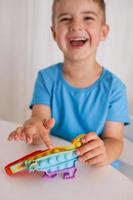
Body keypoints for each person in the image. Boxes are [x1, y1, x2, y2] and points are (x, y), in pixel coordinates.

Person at [8, 0, 130, 168]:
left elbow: (115, 141)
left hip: (94, 171)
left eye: (87, 17)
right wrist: (34, 129)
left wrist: (105, 153)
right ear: (54, 32)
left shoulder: (115, 88)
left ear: (103, 32)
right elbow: (40, 124)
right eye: (66, 19)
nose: (76, 26)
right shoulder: (46, 78)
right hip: (56, 167)